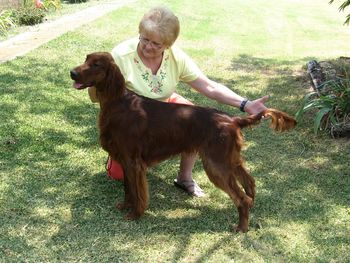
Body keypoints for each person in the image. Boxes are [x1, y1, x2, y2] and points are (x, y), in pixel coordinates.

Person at [88, 6, 268, 197]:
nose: (148, 46)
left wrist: (245, 104)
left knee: (193, 118)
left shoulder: (176, 57)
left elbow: (208, 86)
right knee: (120, 171)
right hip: (131, 118)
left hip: (164, 107)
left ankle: (184, 177)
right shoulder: (120, 55)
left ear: (168, 44)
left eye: (156, 44)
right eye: (144, 39)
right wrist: (95, 84)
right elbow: (96, 98)